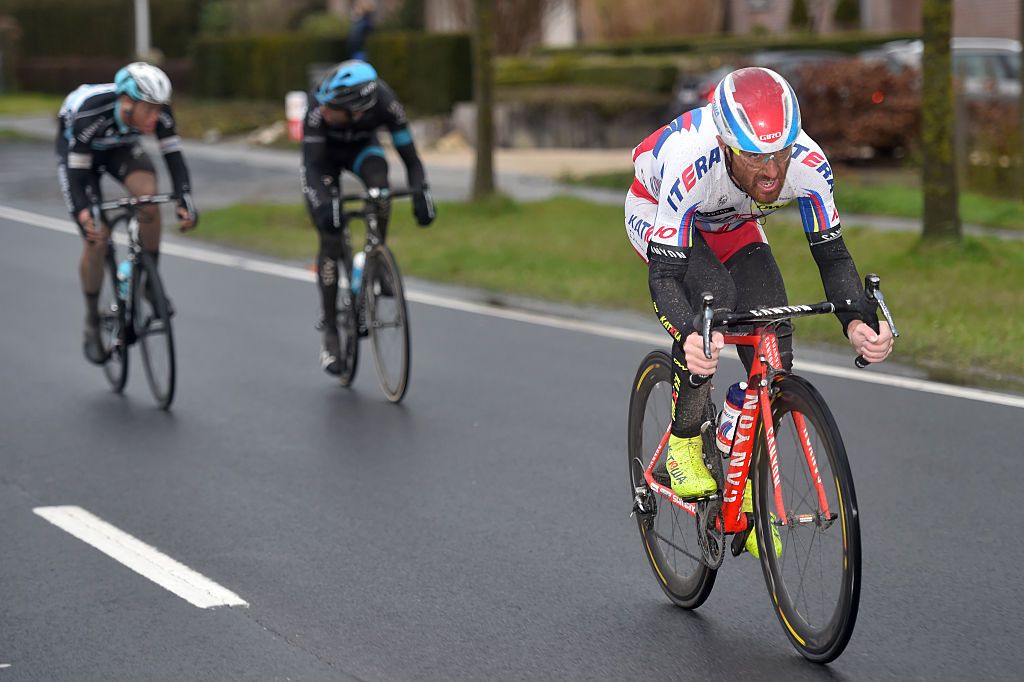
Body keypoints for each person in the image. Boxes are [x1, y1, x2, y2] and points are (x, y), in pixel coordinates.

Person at [624, 67, 893, 557]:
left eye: (780, 153)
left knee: (775, 348)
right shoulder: (691, 162)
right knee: (714, 309)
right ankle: (684, 443)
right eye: (754, 156)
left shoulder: (808, 164)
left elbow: (832, 254)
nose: (771, 172)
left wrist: (856, 320)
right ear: (727, 145)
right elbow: (664, 279)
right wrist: (688, 333)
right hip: (660, 213)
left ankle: (734, 463)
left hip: (732, 220)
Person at [56, 62, 198, 364]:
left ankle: (150, 282)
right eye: (148, 109)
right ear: (126, 101)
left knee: (149, 199)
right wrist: (83, 214)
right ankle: (92, 319)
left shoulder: (158, 114)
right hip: (81, 159)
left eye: (159, 109)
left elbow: (174, 157)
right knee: (96, 236)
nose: (155, 117)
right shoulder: (90, 114)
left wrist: (184, 199)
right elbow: (76, 178)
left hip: (120, 148)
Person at [301, 59, 435, 376]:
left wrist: (421, 193)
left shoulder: (386, 104)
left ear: (358, 110)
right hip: (324, 163)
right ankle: (331, 331)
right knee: (330, 237)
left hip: (363, 151)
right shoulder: (316, 112)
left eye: (333, 108)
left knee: (381, 188)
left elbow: (411, 159)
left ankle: (376, 256)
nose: (325, 111)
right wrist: (324, 206)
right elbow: (312, 169)